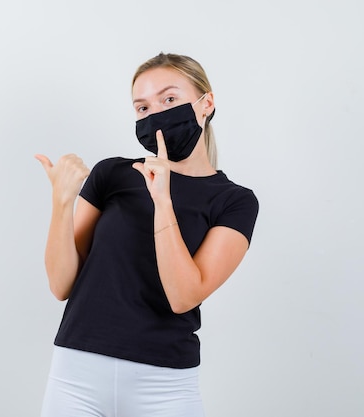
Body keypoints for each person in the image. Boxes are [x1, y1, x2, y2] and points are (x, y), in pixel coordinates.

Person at [34, 52, 259, 417]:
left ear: (207, 104)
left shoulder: (235, 201)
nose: (155, 115)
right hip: (76, 375)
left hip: (165, 386)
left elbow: (183, 296)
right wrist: (62, 202)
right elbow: (61, 285)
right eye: (142, 107)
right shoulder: (112, 175)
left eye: (169, 99)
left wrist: (163, 199)